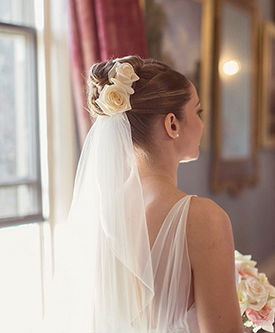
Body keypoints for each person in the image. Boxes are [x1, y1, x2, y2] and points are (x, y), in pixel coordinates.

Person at [41, 55, 244, 333]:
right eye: (198, 112)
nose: (201, 124)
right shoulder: (204, 219)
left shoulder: (97, 214)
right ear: (172, 124)